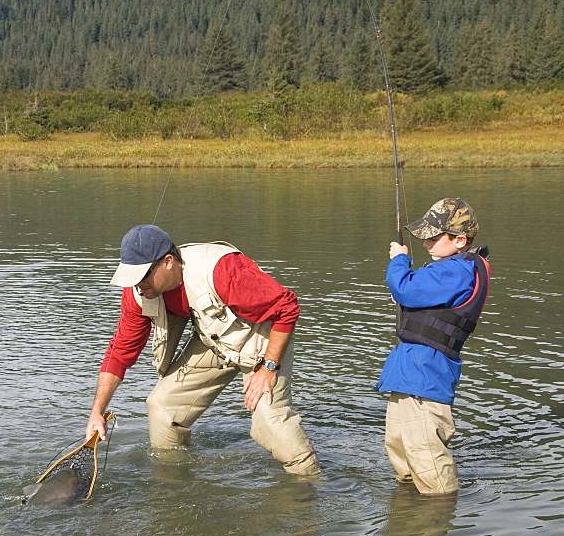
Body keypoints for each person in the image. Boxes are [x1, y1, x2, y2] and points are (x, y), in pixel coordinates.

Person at [86, 224, 319, 475]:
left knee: (270, 422)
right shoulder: (139, 293)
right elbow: (120, 352)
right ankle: (174, 481)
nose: (137, 285)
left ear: (168, 262)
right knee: (163, 406)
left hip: (261, 340)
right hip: (213, 340)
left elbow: (286, 308)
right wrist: (97, 412)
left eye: (142, 276)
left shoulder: (221, 270)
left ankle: (312, 484)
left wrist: (269, 367)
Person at [376, 198, 490, 495]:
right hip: (408, 374)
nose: (426, 244)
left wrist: (399, 259)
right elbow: (411, 293)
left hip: (426, 375)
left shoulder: (457, 271)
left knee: (426, 458)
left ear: (460, 240)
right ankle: (409, 517)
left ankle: (438, 519)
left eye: (433, 237)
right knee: (400, 449)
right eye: (424, 238)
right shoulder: (444, 269)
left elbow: (405, 287)